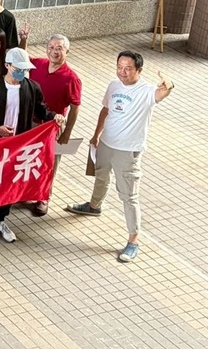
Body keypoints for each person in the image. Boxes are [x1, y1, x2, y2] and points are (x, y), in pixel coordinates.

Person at [65, 51, 173, 263]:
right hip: (107, 143)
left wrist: (169, 85)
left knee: (129, 196)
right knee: (101, 175)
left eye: (128, 68)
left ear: (139, 70)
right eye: (119, 67)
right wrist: (96, 135)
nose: (123, 72)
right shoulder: (114, 86)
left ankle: (133, 240)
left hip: (128, 151)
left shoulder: (147, 91)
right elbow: (105, 111)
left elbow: (163, 92)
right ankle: (94, 206)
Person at [0, 48, 64, 244]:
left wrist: (55, 117)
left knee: (9, 183)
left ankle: (1, 219)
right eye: (18, 69)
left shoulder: (32, 88)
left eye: (24, 70)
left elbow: (41, 111)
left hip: (17, 147)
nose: (21, 73)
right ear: (7, 66)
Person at [28, 34, 82, 216]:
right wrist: (24, 40)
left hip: (52, 126)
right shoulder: (38, 64)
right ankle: (27, 192)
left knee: (49, 163)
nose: (54, 51)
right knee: (28, 158)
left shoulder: (72, 78)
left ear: (67, 51)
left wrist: (67, 132)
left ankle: (43, 198)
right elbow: (22, 57)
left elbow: (75, 107)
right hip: (32, 123)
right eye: (51, 47)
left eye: (59, 48)